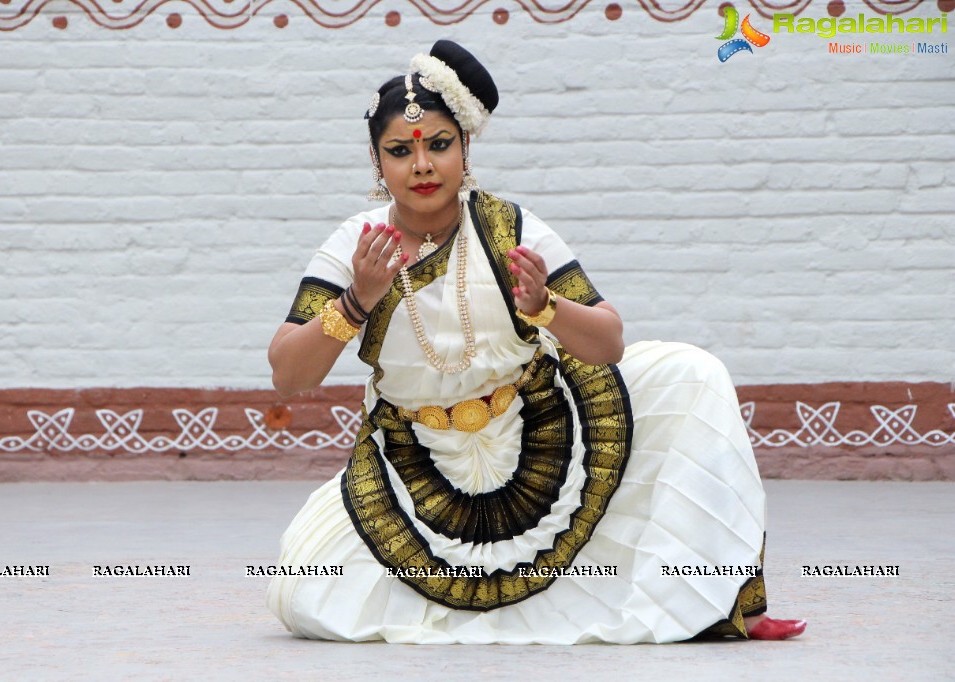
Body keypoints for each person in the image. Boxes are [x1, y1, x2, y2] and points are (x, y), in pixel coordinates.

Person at [265, 40, 805, 644]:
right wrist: (356, 300)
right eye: (400, 151)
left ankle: (728, 602)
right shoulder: (356, 246)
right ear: (376, 161)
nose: (422, 166)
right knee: (303, 589)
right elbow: (288, 374)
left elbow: (609, 342)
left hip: (537, 433)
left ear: (465, 149)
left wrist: (546, 307)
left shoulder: (509, 228)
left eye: (439, 145)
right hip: (414, 458)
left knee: (692, 374)